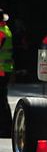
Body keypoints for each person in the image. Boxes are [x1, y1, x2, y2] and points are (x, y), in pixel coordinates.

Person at [0, 8, 14, 138]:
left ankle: (5, 128)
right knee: (2, 99)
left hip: (1, 71)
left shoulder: (1, 32)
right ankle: (6, 126)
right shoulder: (6, 29)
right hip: (5, 69)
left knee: (1, 100)